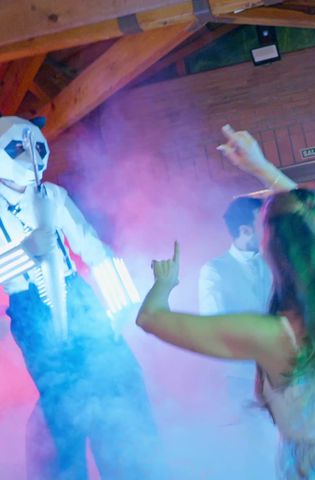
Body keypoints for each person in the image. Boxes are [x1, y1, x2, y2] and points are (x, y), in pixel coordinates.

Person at [136, 125, 315, 479]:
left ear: (275, 252)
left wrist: (164, 283)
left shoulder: (273, 335)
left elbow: (150, 318)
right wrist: (261, 167)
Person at [0, 115, 162, 479]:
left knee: (119, 382)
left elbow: (93, 248)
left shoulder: (53, 196)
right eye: (18, 149)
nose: (31, 156)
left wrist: (122, 303)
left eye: (35, 147)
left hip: (78, 297)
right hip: (30, 307)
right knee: (64, 407)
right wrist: (23, 253)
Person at [198, 195, 279, 479]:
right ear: (245, 230)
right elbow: (215, 327)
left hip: (285, 374)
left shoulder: (274, 262)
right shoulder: (214, 271)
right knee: (259, 453)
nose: (269, 230)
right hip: (244, 379)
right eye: (263, 224)